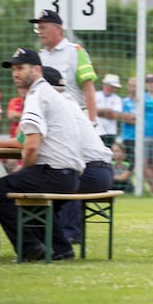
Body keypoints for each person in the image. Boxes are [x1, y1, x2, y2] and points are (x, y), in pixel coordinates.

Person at [0, 48, 84, 262]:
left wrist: (23, 169)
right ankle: (60, 248)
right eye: (13, 70)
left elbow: (30, 147)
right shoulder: (48, 94)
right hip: (70, 175)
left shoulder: (37, 96)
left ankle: (29, 248)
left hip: (56, 172)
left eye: (20, 68)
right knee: (29, 194)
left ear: (37, 69)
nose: (15, 74)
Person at [42, 66, 113, 246]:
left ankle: (67, 234)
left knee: (62, 177)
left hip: (92, 172)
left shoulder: (58, 106)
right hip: (102, 171)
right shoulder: (68, 102)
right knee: (58, 175)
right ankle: (56, 235)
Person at [32, 9, 100, 124]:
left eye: (43, 28)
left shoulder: (75, 52)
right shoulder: (40, 57)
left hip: (75, 117)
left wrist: (92, 121)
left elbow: (88, 88)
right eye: (38, 28)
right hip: (49, 120)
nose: (40, 32)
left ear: (58, 29)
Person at [95, 73, 123, 147]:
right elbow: (90, 110)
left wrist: (99, 112)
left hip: (110, 132)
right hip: (96, 131)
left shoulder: (117, 99)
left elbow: (115, 115)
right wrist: (106, 111)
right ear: (105, 85)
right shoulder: (95, 95)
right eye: (112, 86)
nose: (114, 89)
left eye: (115, 87)